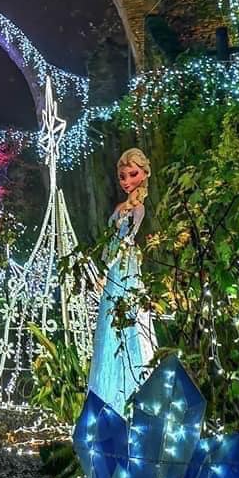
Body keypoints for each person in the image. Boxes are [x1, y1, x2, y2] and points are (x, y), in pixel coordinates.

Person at [87, 148, 157, 417]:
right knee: (109, 325)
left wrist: (106, 270)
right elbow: (109, 242)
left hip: (126, 268)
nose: (127, 181)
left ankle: (134, 395)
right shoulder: (120, 208)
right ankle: (107, 396)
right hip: (114, 269)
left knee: (129, 324)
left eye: (132, 174)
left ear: (144, 174)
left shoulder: (138, 209)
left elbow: (127, 241)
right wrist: (103, 268)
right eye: (122, 176)